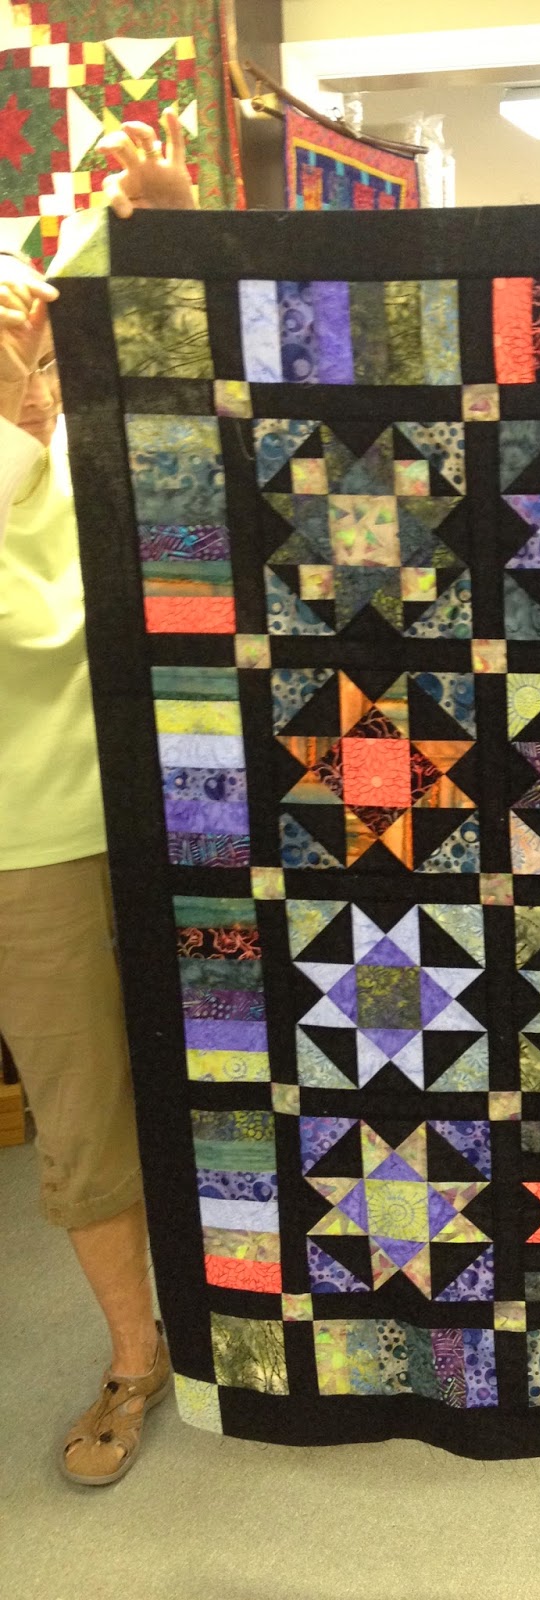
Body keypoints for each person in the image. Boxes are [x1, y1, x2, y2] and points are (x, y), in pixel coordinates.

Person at [0, 110, 196, 1486]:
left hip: (193, 804)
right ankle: (138, 1355)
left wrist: (176, 226)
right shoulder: (30, 454)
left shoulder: (110, 435)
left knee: (269, 1061)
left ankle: (276, 1315)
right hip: (31, 839)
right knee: (84, 1115)